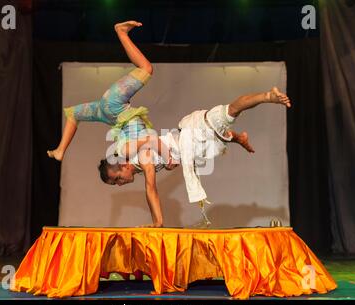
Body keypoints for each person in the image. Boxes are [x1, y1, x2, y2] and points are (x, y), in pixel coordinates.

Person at [48, 20, 291, 228]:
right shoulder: (135, 158)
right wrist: (167, 158)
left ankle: (121, 32)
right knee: (75, 114)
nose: (122, 183)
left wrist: (158, 221)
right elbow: (152, 171)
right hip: (119, 116)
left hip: (116, 107)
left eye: (118, 179)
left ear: (120, 167)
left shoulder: (132, 154)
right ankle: (60, 151)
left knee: (147, 69)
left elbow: (151, 184)